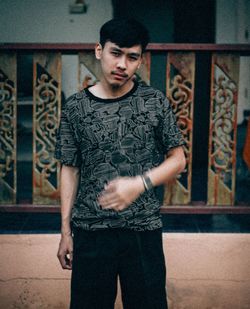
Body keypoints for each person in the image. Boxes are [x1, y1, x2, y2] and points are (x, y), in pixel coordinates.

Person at [55, 18, 186, 309]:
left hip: (143, 231)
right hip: (90, 232)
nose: (122, 64)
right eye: (116, 53)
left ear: (140, 61)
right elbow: (70, 167)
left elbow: (178, 159)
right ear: (99, 51)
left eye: (132, 57)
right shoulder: (76, 107)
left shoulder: (154, 101)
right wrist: (65, 233)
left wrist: (140, 183)